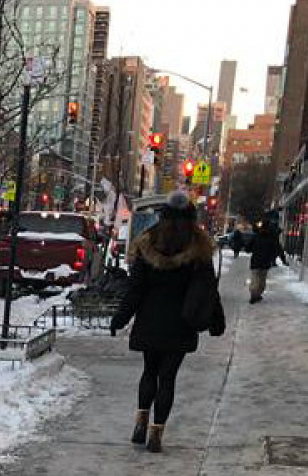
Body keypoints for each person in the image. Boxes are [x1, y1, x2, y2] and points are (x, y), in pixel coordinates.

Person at [110, 191, 222, 453]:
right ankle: (156, 434)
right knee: (168, 378)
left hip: (149, 320)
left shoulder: (148, 244)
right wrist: (217, 320)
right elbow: (208, 290)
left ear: (163, 216)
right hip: (181, 324)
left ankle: (140, 421)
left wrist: (121, 317)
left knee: (149, 371)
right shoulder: (199, 248)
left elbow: (135, 289)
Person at [248, 212, 286, 304]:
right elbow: (278, 249)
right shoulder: (271, 239)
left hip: (256, 262)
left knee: (255, 278)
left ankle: (254, 294)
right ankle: (256, 294)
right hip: (265, 263)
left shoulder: (256, 237)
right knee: (261, 280)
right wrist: (281, 259)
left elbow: (248, 248)